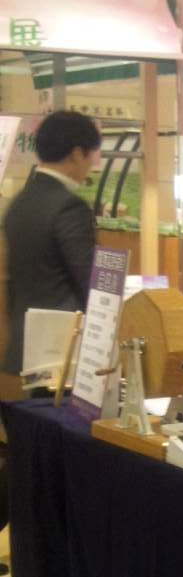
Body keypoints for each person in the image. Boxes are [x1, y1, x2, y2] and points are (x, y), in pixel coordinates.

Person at [2, 110, 102, 378]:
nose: (91, 165)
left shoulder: (19, 203)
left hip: (24, 344)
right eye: (91, 156)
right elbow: (88, 278)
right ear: (77, 153)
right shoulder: (69, 206)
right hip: (62, 350)